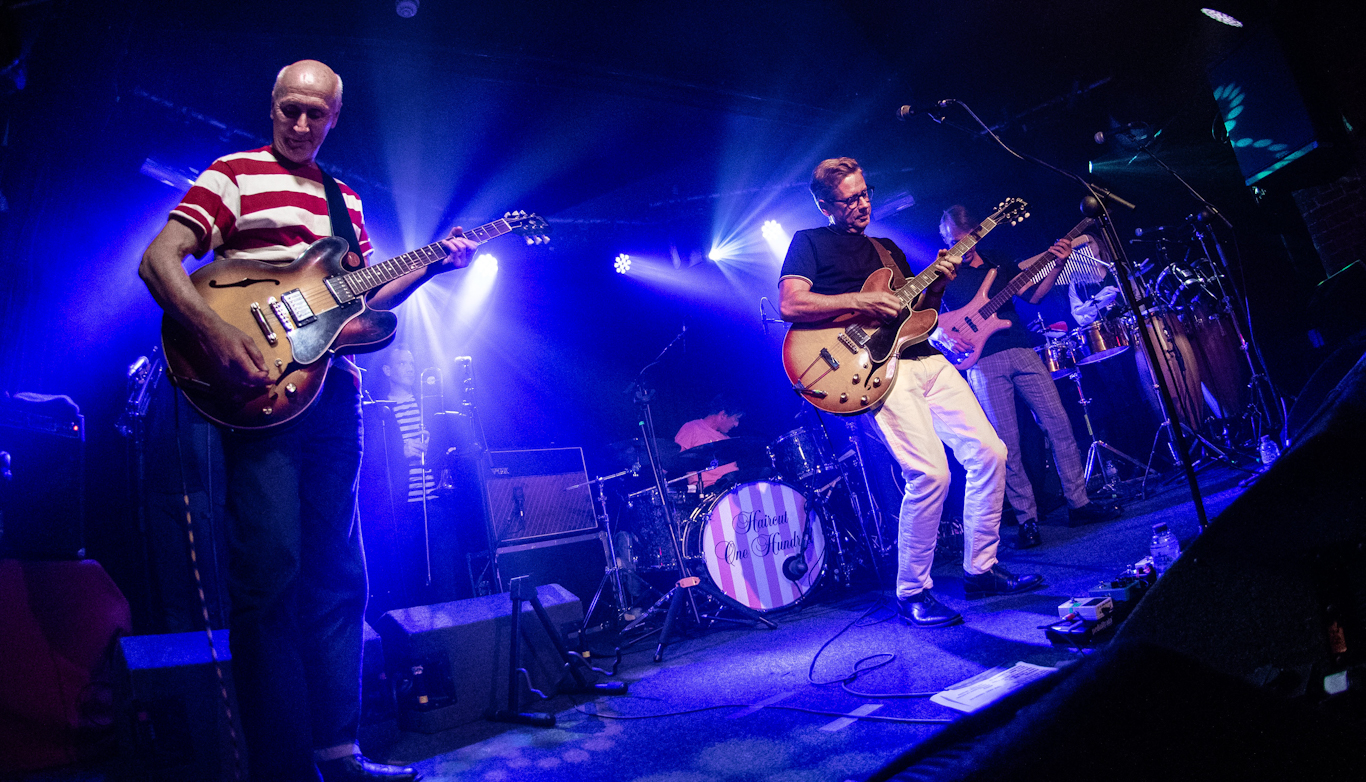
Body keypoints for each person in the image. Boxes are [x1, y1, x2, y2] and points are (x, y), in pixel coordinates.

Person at [138, 60, 478, 782]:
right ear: (272, 106)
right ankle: (284, 768)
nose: (300, 124)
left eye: (314, 115)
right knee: (272, 577)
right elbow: (160, 259)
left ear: (333, 119)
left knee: (340, 576)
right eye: (290, 109)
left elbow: (353, 302)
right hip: (260, 394)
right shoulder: (233, 172)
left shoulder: (342, 198)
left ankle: (340, 755)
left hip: (333, 394)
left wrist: (437, 267)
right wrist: (215, 332)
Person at [778, 158, 1041, 629]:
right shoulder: (809, 242)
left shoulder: (887, 249)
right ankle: (912, 591)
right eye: (850, 199)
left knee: (990, 452)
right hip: (874, 369)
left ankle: (980, 569)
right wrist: (861, 300)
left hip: (925, 357)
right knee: (930, 473)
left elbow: (918, 316)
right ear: (825, 204)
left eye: (865, 194)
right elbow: (791, 303)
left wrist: (938, 283)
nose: (862, 204)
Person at [935, 206, 1122, 549]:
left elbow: (1034, 297)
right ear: (946, 242)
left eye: (970, 239)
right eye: (956, 242)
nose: (965, 248)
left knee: (1060, 424)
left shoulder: (998, 260)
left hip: (1022, 349)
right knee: (1009, 445)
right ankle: (1027, 520)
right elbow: (931, 324)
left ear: (978, 233)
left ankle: (1078, 504)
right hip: (982, 362)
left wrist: (1060, 261)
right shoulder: (942, 276)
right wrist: (943, 335)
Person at [674, 394, 745, 489]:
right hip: (709, 493)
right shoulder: (692, 428)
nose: (736, 424)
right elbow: (672, 461)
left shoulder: (727, 439)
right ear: (723, 415)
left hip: (733, 488)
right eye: (736, 419)